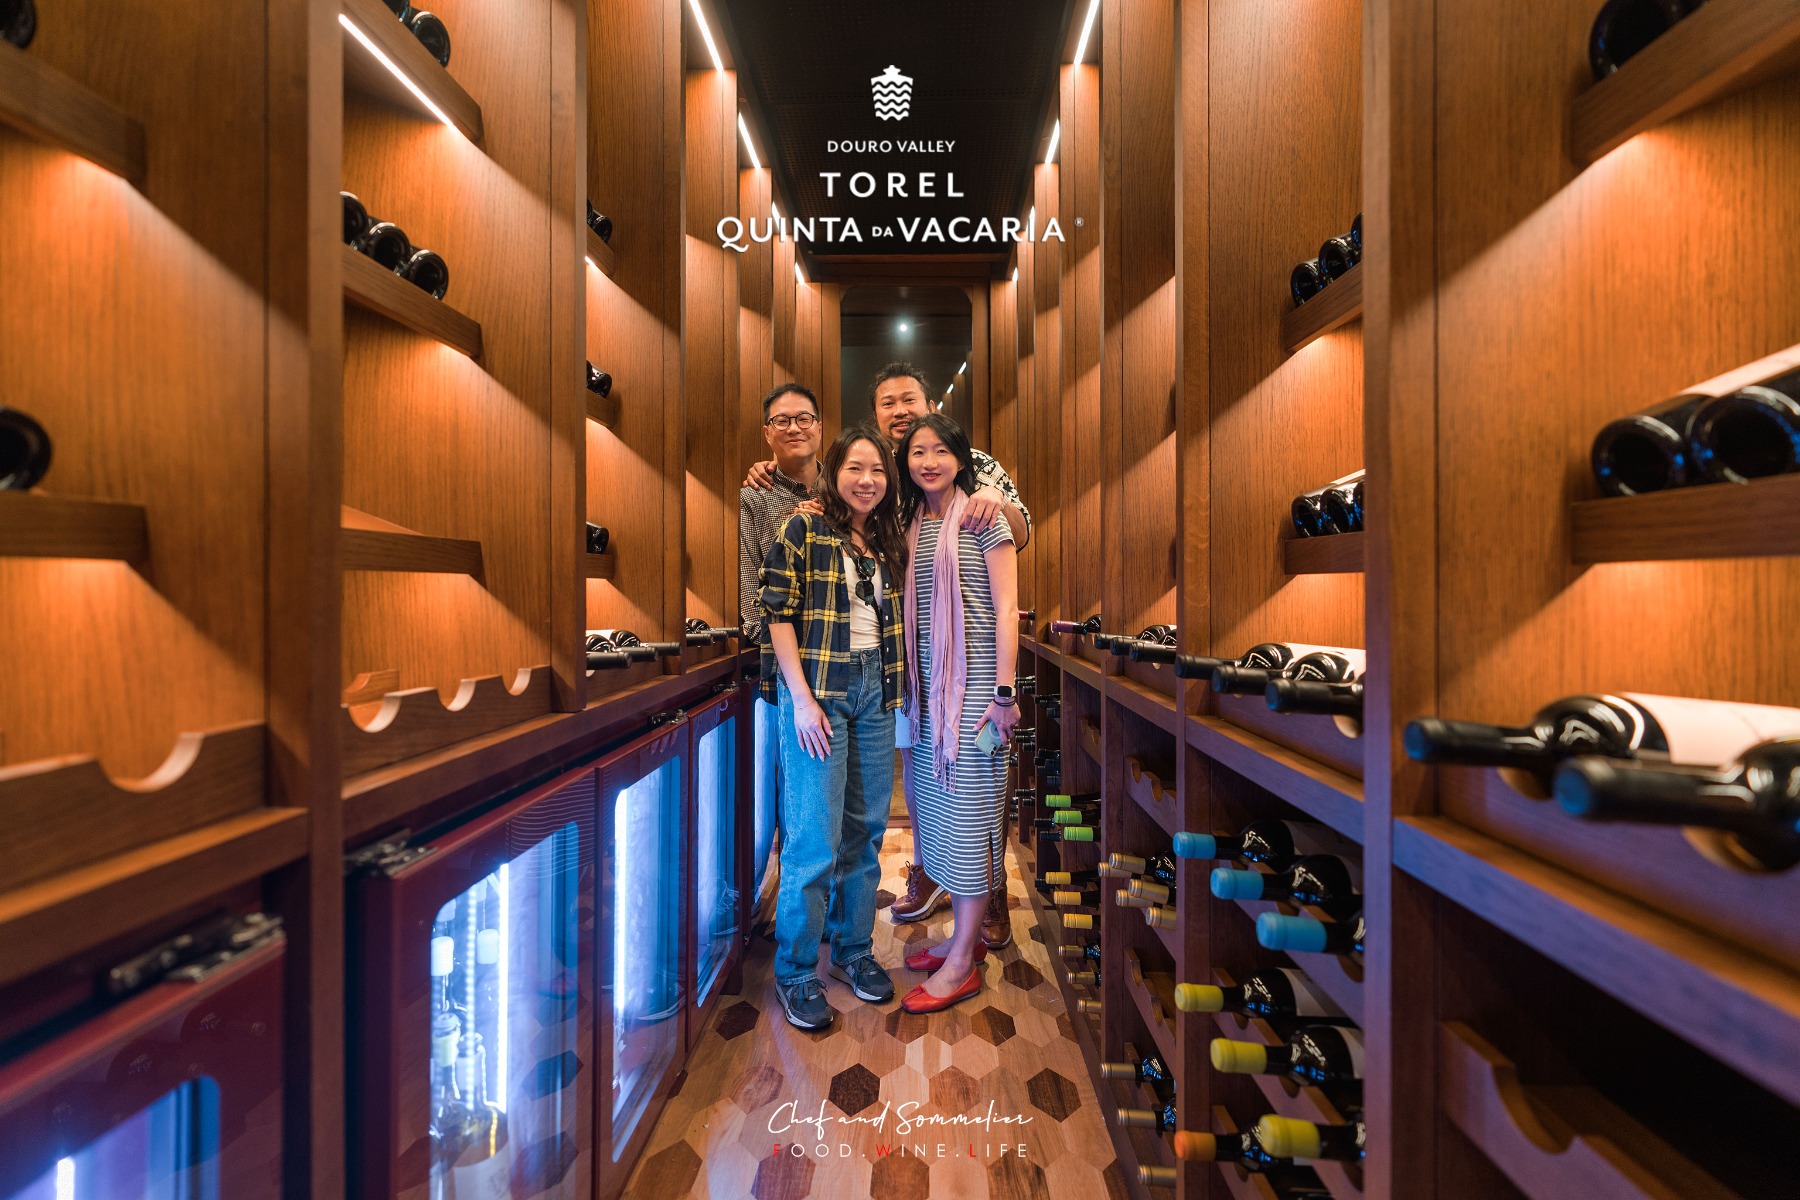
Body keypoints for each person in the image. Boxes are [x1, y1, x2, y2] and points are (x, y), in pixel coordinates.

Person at [744, 362, 1030, 947]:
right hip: (903, 668)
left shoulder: (973, 466)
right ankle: (927, 872)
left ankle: (989, 887)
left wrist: (994, 502)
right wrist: (788, 477)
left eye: (909, 400)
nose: (899, 411)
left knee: (974, 784)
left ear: (930, 405)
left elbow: (1018, 533)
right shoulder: (887, 480)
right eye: (887, 403)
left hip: (967, 665)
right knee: (919, 781)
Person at [759, 426, 909, 1030]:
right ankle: (796, 970)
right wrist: (800, 700)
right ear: (834, 472)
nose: (866, 480)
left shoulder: (885, 538)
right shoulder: (803, 527)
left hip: (876, 690)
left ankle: (852, 949)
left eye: (877, 471)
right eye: (854, 468)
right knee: (813, 835)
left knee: (866, 829)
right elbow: (776, 613)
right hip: (819, 687)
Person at [894, 413, 1020, 1014]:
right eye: (918, 452)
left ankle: (964, 962)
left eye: (941, 450)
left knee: (970, 819)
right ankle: (960, 939)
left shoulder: (985, 518)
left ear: (961, 458)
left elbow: (1007, 608)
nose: (929, 462)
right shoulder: (911, 524)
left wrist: (1004, 695)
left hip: (976, 690)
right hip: (929, 694)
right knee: (940, 817)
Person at [738, 383, 824, 929]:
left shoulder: (845, 483)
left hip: (843, 659)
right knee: (792, 794)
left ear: (820, 426)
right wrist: (771, 643)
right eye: (782, 420)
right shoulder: (756, 494)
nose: (794, 428)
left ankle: (833, 911)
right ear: (767, 432)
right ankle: (793, 919)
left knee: (838, 795)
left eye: (804, 418)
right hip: (784, 665)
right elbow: (752, 582)